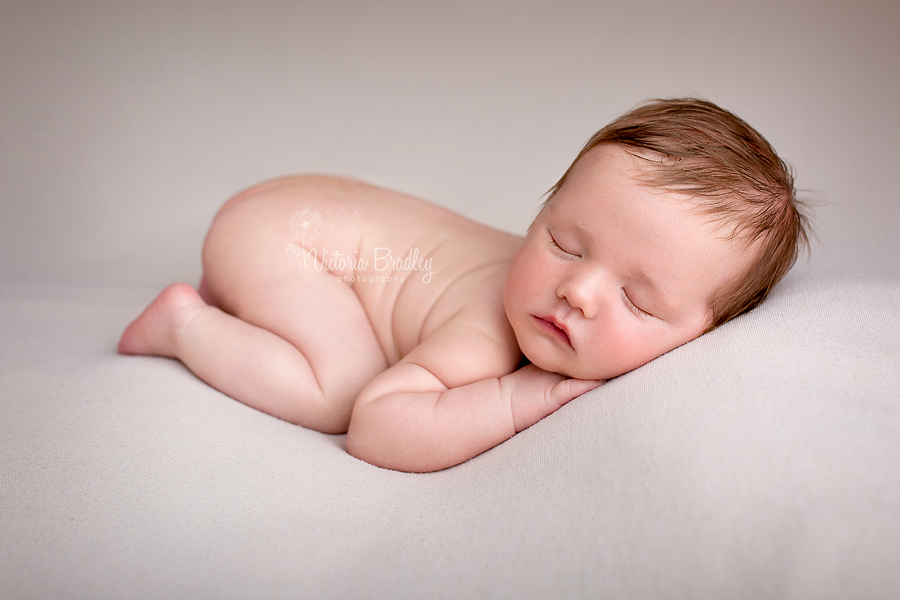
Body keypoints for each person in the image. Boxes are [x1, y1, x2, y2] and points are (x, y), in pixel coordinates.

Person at [118, 98, 810, 472]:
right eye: (562, 242)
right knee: (340, 391)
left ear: (707, 331)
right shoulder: (486, 332)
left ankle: (236, 298)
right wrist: (513, 399)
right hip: (281, 241)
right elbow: (376, 428)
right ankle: (185, 323)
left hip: (295, 216)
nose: (577, 291)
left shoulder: (572, 293)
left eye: (637, 300)